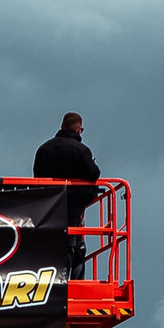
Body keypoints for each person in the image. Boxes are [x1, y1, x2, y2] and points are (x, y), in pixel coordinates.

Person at [30, 112, 100, 272]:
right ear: (79, 130)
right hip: (74, 203)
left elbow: (36, 176)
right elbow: (94, 174)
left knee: (52, 241)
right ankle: (68, 274)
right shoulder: (81, 150)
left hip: (48, 206)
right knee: (72, 243)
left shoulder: (44, 149)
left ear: (62, 126)